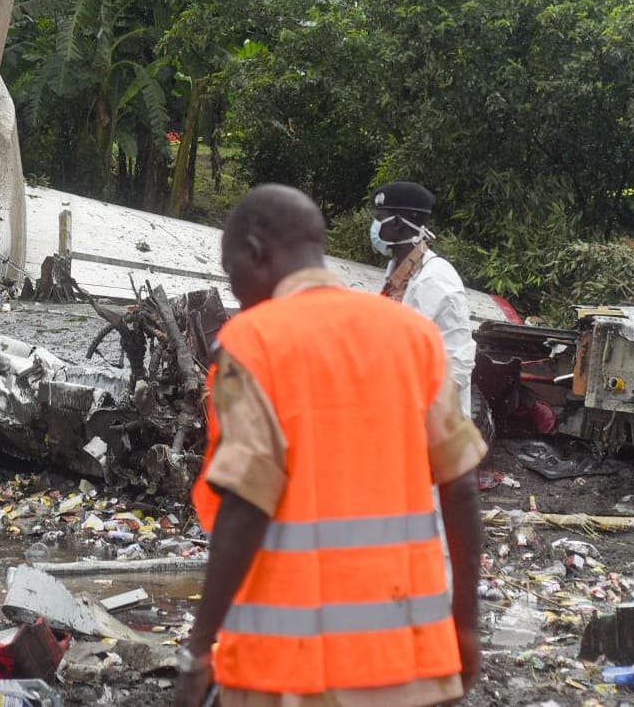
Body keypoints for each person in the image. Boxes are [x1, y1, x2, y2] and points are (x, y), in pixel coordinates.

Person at [174, 185, 485, 707]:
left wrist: (199, 648)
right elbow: (462, 490)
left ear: (254, 252)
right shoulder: (414, 338)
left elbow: (247, 503)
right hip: (412, 665)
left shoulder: (253, 343)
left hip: (289, 672)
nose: (236, 293)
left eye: (232, 274)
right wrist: (466, 628)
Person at [370, 180, 477, 417]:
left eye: (379, 217)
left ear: (396, 223)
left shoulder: (435, 278)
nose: (374, 226)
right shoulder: (399, 274)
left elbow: (458, 363)